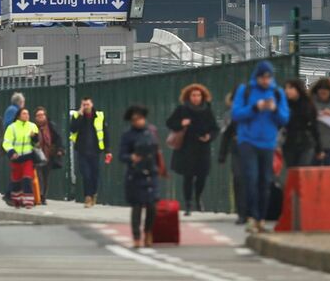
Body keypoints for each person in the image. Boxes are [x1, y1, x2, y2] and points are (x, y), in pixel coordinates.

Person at [232, 60, 290, 233]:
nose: (265, 81)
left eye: (268, 77)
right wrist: (255, 107)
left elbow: (284, 118)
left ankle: (261, 219)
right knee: (251, 178)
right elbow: (236, 114)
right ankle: (252, 216)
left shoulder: (277, 92)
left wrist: (274, 109)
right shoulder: (245, 90)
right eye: (262, 77)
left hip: (268, 142)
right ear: (256, 77)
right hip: (248, 140)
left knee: (265, 181)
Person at [166, 83, 219, 216]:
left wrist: (209, 136)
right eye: (193, 95)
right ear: (188, 97)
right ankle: (188, 204)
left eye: (198, 95)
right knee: (188, 176)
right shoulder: (182, 109)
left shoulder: (207, 110)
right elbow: (170, 123)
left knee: (202, 176)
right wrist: (181, 123)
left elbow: (215, 128)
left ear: (203, 96)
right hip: (187, 147)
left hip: (203, 147)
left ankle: (198, 197)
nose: (196, 98)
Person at [119, 104, 165, 248]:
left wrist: (160, 168)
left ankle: (148, 232)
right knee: (137, 206)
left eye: (140, 118)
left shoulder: (151, 131)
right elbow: (121, 155)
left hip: (151, 172)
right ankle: (136, 236)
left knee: (152, 206)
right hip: (135, 174)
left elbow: (157, 151)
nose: (138, 121)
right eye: (134, 119)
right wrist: (131, 157)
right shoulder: (128, 135)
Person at [69, 97, 111, 207]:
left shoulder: (99, 116)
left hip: (95, 151)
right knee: (86, 175)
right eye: (84, 105)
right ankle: (87, 197)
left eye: (87, 104)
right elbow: (73, 129)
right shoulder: (77, 116)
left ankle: (94, 193)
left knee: (95, 175)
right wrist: (80, 115)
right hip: (82, 151)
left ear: (92, 104)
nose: (86, 107)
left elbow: (105, 133)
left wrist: (107, 150)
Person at [218, 93, 247, 225]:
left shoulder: (257, 113)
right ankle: (241, 212)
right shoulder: (234, 116)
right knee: (238, 179)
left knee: (252, 180)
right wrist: (222, 154)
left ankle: (253, 212)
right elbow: (226, 134)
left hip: (255, 150)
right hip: (237, 150)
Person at [2, 107, 39, 209]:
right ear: (19, 116)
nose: (26, 115)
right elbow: (7, 142)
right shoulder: (12, 127)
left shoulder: (33, 126)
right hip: (16, 157)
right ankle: (17, 200)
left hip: (28, 157)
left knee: (27, 178)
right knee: (17, 181)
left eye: (27, 114)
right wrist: (12, 152)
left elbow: (37, 143)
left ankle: (28, 201)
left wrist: (34, 138)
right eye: (24, 114)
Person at [282, 79, 321, 168]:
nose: (287, 91)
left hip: (306, 144)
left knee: (302, 169)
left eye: (290, 88)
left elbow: (314, 127)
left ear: (298, 89)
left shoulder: (308, 105)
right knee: (291, 170)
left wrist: (319, 149)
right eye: (286, 88)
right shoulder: (284, 105)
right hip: (289, 143)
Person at [33, 106, 63, 205]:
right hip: (36, 155)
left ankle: (43, 197)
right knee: (39, 176)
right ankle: (38, 195)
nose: (41, 117)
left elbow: (58, 138)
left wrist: (59, 149)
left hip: (48, 154)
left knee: (45, 177)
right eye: (38, 115)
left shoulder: (51, 126)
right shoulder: (32, 127)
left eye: (42, 115)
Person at [1, 92, 25, 204]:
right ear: (20, 102)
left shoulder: (13, 110)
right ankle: (9, 194)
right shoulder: (13, 110)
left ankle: (12, 194)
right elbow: (9, 125)